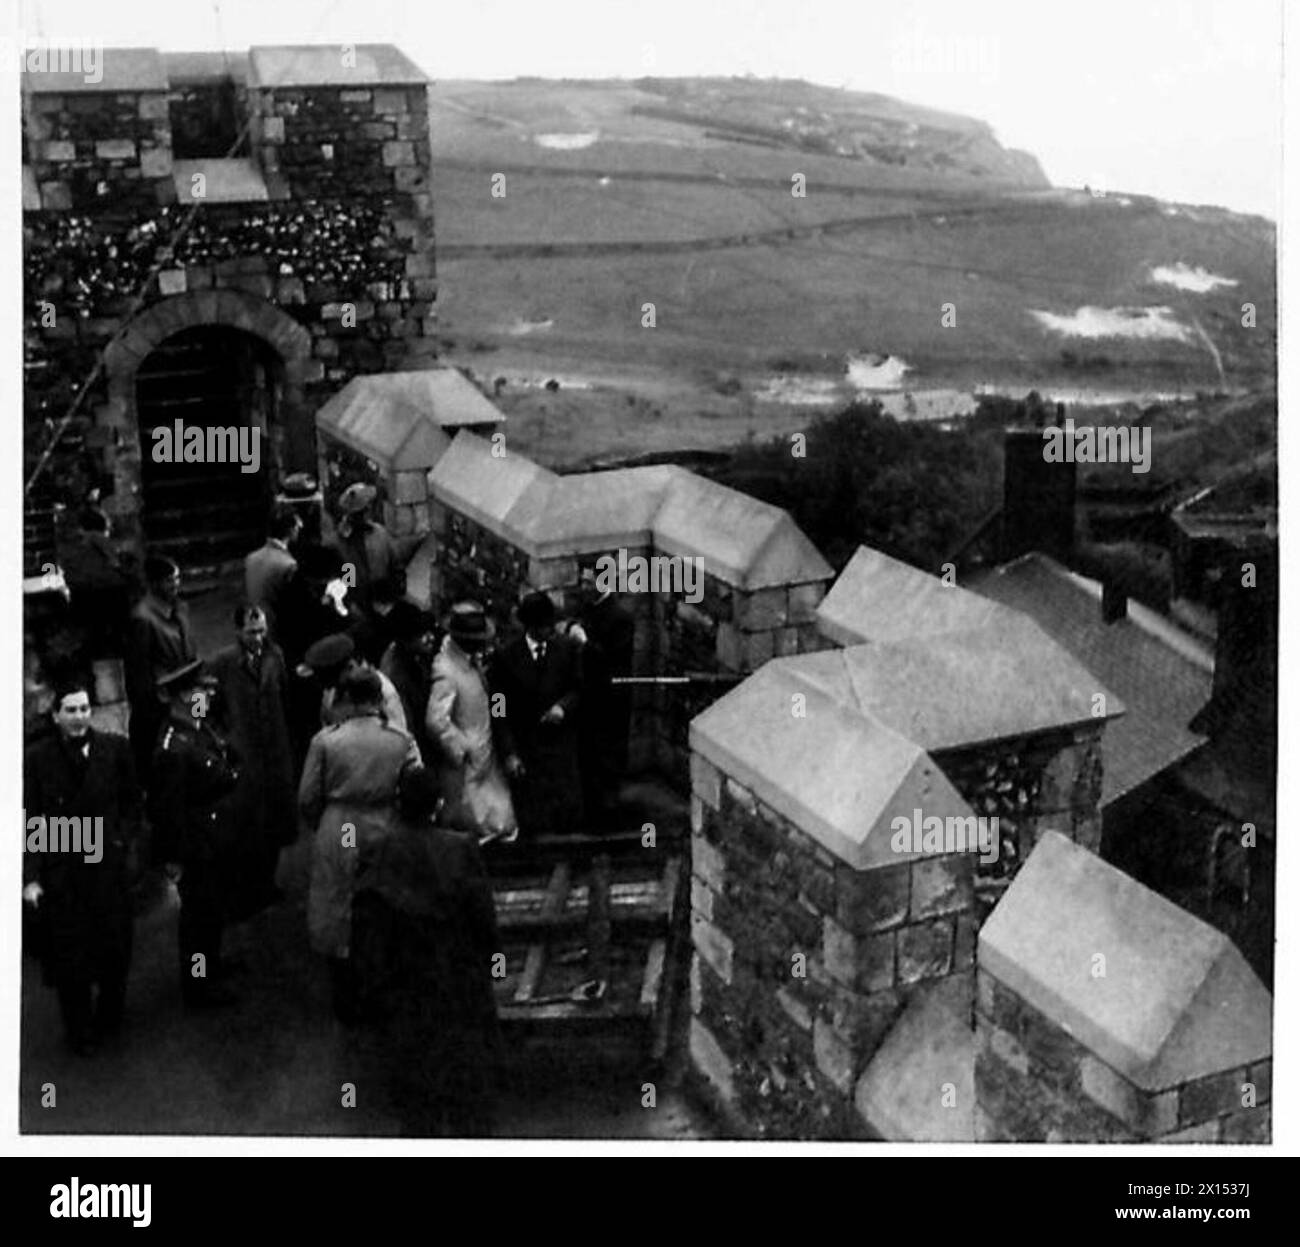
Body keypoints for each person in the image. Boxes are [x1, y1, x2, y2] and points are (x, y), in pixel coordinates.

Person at [351, 763, 502, 1134]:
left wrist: (373, 997)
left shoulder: (375, 854)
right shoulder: (461, 850)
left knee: (417, 1111)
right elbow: (484, 923)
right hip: (458, 989)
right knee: (470, 1106)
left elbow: (366, 938)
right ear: (436, 805)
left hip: (405, 998)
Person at [23, 677, 143, 1055]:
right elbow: (32, 818)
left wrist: (122, 842)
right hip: (65, 874)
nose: (79, 717)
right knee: (71, 959)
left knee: (114, 948)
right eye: (71, 710)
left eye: (85, 709)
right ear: (56, 715)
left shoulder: (115, 749)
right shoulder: (37, 759)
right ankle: (80, 1031)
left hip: (107, 867)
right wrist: (31, 877)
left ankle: (111, 1016)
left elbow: (132, 804)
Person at [298, 668, 416, 1023]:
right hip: (384, 823)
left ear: (346, 699)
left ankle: (346, 1000)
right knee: (384, 903)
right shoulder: (400, 739)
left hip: (340, 824)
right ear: (379, 699)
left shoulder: (325, 741)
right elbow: (416, 787)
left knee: (337, 905)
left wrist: (324, 822)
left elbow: (307, 797)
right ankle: (385, 991)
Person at [149, 660, 242, 1010]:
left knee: (213, 913)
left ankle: (212, 966)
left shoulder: (195, 725)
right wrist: (173, 860)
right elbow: (167, 811)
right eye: (198, 690)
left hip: (213, 838)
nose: (205, 693)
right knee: (198, 922)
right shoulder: (172, 748)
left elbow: (221, 751)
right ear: (180, 697)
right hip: (195, 848)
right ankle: (199, 984)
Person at [209, 605, 296, 919]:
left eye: (261, 630)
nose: (258, 638)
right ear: (237, 632)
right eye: (251, 632)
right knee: (247, 828)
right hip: (244, 758)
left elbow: (284, 698)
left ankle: (266, 884)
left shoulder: (276, 657)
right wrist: (222, 741)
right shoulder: (222, 664)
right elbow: (202, 709)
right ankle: (244, 891)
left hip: (275, 754)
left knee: (274, 824)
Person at [491, 590, 584, 838]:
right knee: (533, 823)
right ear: (529, 626)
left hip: (560, 749)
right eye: (543, 627)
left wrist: (562, 708)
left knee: (566, 820)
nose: (549, 632)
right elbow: (498, 709)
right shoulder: (506, 656)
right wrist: (509, 753)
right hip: (527, 750)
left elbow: (579, 688)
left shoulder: (566, 649)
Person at [425, 601, 517, 845]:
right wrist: (463, 748)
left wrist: (499, 722)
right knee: (472, 827)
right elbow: (436, 720)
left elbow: (494, 702)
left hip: (487, 757)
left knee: (500, 824)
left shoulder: (473, 664)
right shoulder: (445, 670)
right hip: (466, 766)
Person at [566, 578, 636, 829]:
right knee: (588, 756)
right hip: (588, 696)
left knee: (608, 758)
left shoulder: (621, 618)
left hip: (610, 700)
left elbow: (610, 661)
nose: (584, 587)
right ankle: (591, 813)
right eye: (582, 581)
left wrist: (584, 642)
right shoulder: (587, 608)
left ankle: (607, 818)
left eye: (588, 581)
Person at [125, 556, 196, 782]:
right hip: (159, 704)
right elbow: (138, 674)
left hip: (188, 694)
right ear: (154, 584)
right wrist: (155, 704)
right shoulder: (142, 619)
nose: (176, 584)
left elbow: (190, 652)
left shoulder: (181, 609)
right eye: (169, 580)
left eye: (177, 578)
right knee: (158, 763)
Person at [299, 632, 414, 745]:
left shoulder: (382, 690)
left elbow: (401, 738)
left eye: (327, 678)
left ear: (349, 667)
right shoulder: (330, 696)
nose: (322, 684)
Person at [60, 506, 135, 660]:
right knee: (118, 637)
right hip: (108, 591)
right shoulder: (99, 539)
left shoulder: (71, 545)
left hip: (80, 593)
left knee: (91, 639)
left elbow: (60, 567)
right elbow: (115, 563)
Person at [325, 483, 401, 615]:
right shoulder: (337, 543)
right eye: (362, 510)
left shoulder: (380, 534)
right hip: (354, 610)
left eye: (368, 506)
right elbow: (340, 580)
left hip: (382, 606)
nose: (368, 510)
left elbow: (395, 566)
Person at [379, 601, 439, 758]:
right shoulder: (395, 676)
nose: (430, 638)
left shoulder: (417, 656)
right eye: (421, 635)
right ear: (405, 640)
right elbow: (405, 725)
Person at [243, 505, 301, 636]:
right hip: (277, 631)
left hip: (254, 625)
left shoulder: (250, 559)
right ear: (289, 529)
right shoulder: (288, 565)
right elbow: (295, 608)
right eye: (297, 524)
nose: (300, 526)